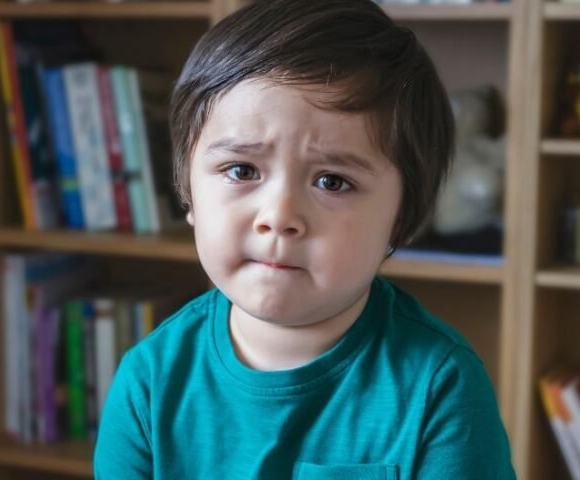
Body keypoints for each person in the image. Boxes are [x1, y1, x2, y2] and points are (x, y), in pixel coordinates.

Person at [94, 0, 516, 478]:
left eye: (332, 182)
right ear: (187, 191)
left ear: (401, 218)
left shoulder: (442, 387)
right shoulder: (148, 383)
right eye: (241, 170)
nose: (279, 217)